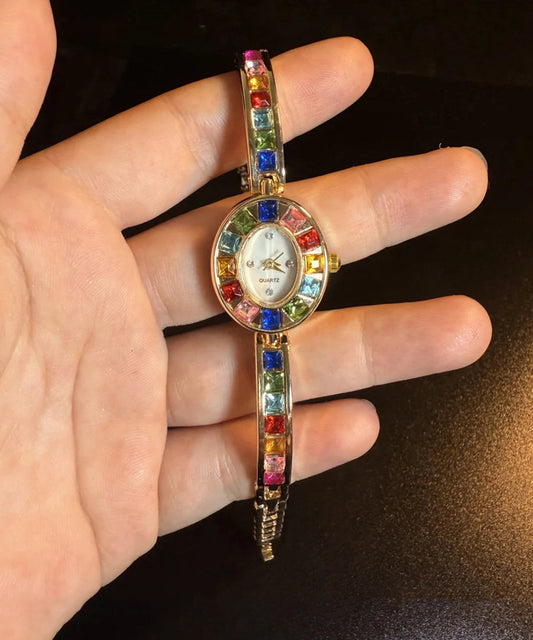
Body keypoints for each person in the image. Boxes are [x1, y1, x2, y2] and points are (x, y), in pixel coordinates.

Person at [0, 2, 491, 638]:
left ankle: (268, 522)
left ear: (311, 261)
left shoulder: (282, 246)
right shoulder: (259, 238)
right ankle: (266, 523)